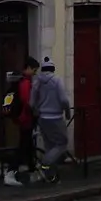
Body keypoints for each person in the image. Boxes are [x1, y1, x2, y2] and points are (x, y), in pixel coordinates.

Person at [30, 55, 71, 183]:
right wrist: (67, 111)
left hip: (42, 118)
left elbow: (31, 103)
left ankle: (50, 175)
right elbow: (64, 100)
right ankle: (43, 164)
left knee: (49, 146)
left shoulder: (37, 82)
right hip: (56, 117)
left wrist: (37, 110)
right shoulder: (57, 81)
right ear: (53, 68)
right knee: (61, 144)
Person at [1, 56, 39, 186]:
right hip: (25, 118)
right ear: (28, 68)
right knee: (23, 146)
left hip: (23, 118)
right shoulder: (25, 82)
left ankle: (33, 172)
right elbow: (27, 102)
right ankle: (10, 172)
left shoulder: (20, 81)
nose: (35, 73)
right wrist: (35, 113)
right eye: (34, 70)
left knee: (28, 146)